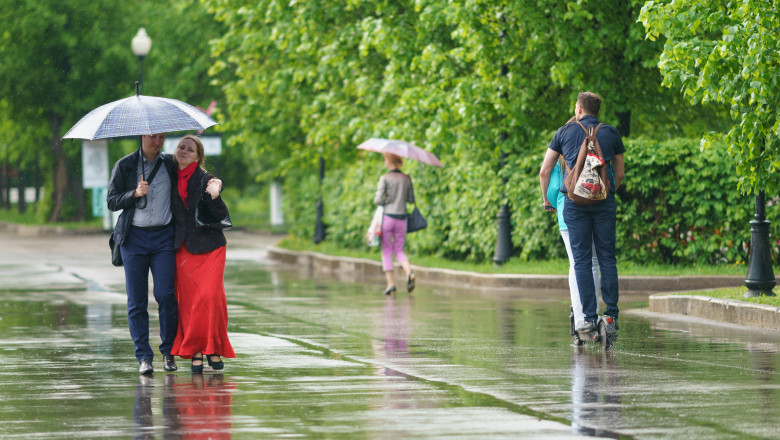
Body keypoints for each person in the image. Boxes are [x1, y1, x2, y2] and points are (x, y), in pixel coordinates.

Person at [539, 92, 625, 332]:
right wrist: (609, 191)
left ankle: (588, 318)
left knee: (582, 261)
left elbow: (545, 171)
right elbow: (619, 173)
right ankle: (611, 315)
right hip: (604, 204)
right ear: (597, 110)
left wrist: (547, 199)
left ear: (578, 108)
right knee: (607, 257)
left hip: (575, 205)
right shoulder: (611, 133)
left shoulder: (563, 132)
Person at [107, 133, 178, 375]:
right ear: (141, 136)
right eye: (152, 137)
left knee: (166, 294)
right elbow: (112, 201)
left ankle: (169, 352)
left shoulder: (170, 163)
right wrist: (135, 194)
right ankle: (144, 358)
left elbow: (192, 179)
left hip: (164, 237)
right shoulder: (125, 165)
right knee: (136, 301)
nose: (157, 141)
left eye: (161, 137)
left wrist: (213, 182)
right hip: (134, 239)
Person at [169, 134, 236, 373]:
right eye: (181, 147)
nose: (184, 151)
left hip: (210, 248)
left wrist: (216, 193)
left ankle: (214, 347)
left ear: (198, 157)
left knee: (210, 298)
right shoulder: (166, 173)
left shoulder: (206, 179)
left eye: (190, 150)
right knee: (189, 303)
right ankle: (196, 350)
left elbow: (218, 213)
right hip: (182, 249)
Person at [540, 150, 601, 330]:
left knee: (576, 264)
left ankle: (581, 318)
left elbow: (552, 186)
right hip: (596, 210)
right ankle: (594, 315)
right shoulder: (595, 150)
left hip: (568, 214)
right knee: (594, 263)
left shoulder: (561, 158)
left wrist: (549, 202)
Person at [374, 153, 416, 295]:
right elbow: (411, 199)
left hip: (388, 218)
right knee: (399, 249)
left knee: (386, 250)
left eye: (385, 159)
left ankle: (391, 285)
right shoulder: (407, 178)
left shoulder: (384, 178)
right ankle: (409, 272)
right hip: (402, 219)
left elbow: (378, 200)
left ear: (388, 160)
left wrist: (387, 199)